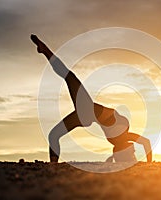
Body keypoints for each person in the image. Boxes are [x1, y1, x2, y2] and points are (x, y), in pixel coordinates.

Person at [31, 34, 152, 163]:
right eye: (133, 149)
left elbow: (145, 142)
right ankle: (53, 165)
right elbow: (146, 142)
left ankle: (46, 51)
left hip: (88, 112)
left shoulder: (123, 137)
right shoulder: (124, 136)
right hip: (86, 115)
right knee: (53, 135)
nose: (133, 148)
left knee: (69, 77)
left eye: (131, 150)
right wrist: (149, 163)